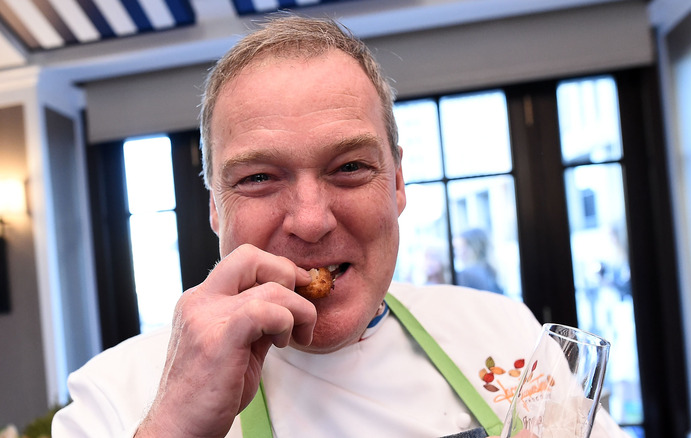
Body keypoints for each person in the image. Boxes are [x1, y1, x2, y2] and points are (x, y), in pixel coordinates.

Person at [52, 15, 628, 438]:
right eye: (258, 177)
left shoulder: (506, 333)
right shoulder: (114, 396)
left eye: (350, 167)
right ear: (214, 208)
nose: (309, 219)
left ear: (398, 183)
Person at [453, 228, 504, 294]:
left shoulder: (467, 274)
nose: (457, 252)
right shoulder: (489, 270)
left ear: (473, 247)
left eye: (460, 247)